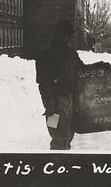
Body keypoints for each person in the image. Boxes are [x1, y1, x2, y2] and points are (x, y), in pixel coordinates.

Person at [35, 19, 85, 150]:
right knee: (57, 136)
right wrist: (50, 107)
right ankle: (57, 161)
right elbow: (43, 83)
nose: (68, 38)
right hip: (55, 103)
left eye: (69, 35)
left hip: (70, 101)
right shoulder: (45, 54)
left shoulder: (70, 53)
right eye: (65, 34)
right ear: (57, 34)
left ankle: (64, 159)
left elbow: (82, 69)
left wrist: (100, 66)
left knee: (68, 134)